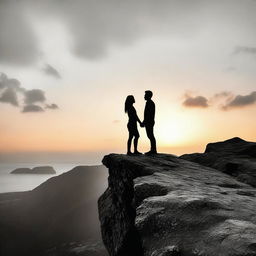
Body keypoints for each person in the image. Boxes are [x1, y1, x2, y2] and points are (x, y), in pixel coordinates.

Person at [141, 90, 157, 155]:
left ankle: (153, 150)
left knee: (150, 135)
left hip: (149, 122)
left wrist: (144, 122)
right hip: (149, 121)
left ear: (148, 96)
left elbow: (148, 114)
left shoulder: (150, 103)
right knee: (150, 135)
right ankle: (153, 149)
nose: (144, 96)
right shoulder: (149, 103)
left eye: (145, 95)